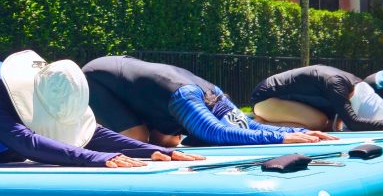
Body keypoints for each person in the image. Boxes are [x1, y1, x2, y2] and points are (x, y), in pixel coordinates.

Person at [0, 51, 202, 168]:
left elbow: (90, 134)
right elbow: (27, 142)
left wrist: (155, 152)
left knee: (5, 152)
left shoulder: (42, 87)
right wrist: (99, 160)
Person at [82, 56, 337, 147]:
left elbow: (235, 129)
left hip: (165, 90)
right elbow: (225, 130)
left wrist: (291, 134)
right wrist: (288, 134)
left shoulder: (215, 94)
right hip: (100, 78)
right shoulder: (185, 97)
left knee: (162, 141)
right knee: (148, 140)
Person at [249, 65, 383, 132]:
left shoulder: (357, 87)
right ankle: (262, 123)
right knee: (319, 123)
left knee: (329, 123)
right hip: (265, 100)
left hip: (287, 100)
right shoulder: (337, 86)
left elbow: (380, 115)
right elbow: (355, 122)